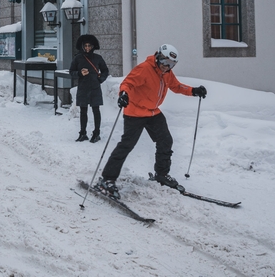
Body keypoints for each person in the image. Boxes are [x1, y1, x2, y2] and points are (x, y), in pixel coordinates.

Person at [96, 43, 206, 198]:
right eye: (164, 61)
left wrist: (193, 91)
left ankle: (161, 174)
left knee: (165, 140)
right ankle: (107, 179)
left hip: (153, 112)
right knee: (127, 145)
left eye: (171, 64)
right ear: (157, 56)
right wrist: (123, 94)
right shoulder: (144, 69)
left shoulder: (167, 73)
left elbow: (176, 86)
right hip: (135, 112)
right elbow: (128, 83)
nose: (166, 66)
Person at [69, 34, 109, 143]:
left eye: (89, 46)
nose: (87, 48)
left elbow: (105, 70)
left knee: (96, 110)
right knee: (83, 111)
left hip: (95, 87)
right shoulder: (77, 58)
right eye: (85, 46)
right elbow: (71, 72)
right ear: (82, 46)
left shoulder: (98, 58)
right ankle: (83, 133)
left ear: (93, 46)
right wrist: (80, 73)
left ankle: (97, 133)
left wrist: (101, 79)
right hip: (83, 87)